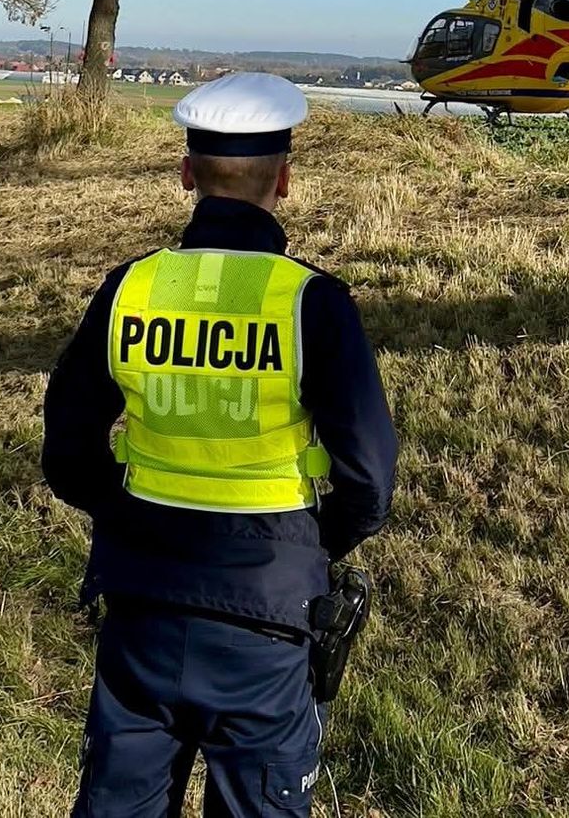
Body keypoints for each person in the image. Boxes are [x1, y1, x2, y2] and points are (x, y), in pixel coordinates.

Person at [42, 72, 398, 818]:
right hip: (265, 623)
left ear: (186, 175)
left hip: (140, 611)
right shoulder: (313, 303)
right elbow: (369, 483)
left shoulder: (128, 289)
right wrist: (309, 541)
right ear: (286, 179)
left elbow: (68, 452)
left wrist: (133, 512)